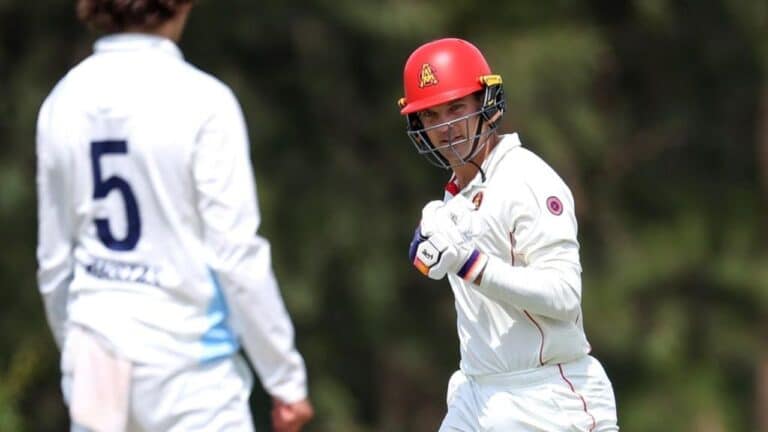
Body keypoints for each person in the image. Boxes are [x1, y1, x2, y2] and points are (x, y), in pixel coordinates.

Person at [35, 1, 313, 431]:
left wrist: (75, 348)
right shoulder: (204, 100)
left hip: (94, 351)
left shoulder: (61, 101)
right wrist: (285, 379)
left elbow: (54, 263)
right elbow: (236, 254)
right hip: (189, 367)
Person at [399, 38, 619, 431]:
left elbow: (565, 296)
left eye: (456, 108)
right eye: (431, 116)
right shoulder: (456, 196)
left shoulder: (526, 179)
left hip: (547, 398)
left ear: (486, 104)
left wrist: (471, 264)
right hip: (477, 394)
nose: (446, 128)